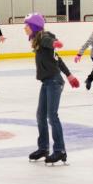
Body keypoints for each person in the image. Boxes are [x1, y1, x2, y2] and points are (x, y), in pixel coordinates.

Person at [24, 13, 79, 165]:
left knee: (52, 116)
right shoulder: (38, 40)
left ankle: (60, 150)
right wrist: (70, 76)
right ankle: (43, 148)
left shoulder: (43, 37)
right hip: (48, 82)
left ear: (34, 27)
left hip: (54, 82)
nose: (25, 28)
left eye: (27, 25)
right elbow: (57, 59)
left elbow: (51, 41)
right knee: (41, 115)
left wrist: (55, 43)